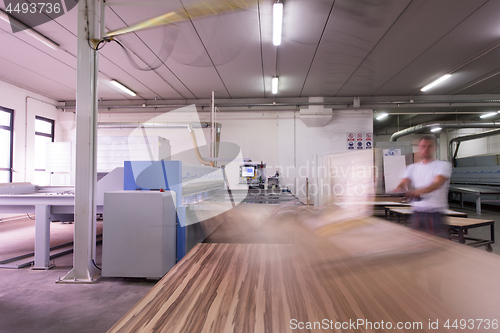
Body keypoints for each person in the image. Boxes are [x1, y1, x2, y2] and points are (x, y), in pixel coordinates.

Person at [394, 136, 452, 237]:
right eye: (423, 146)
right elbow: (404, 182)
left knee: (438, 247)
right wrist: (399, 189)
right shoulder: (412, 168)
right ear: (419, 148)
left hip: (435, 214)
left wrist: (418, 192)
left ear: (435, 147)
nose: (426, 149)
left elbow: (437, 184)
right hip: (417, 213)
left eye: (429, 146)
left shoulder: (443, 165)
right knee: (416, 246)